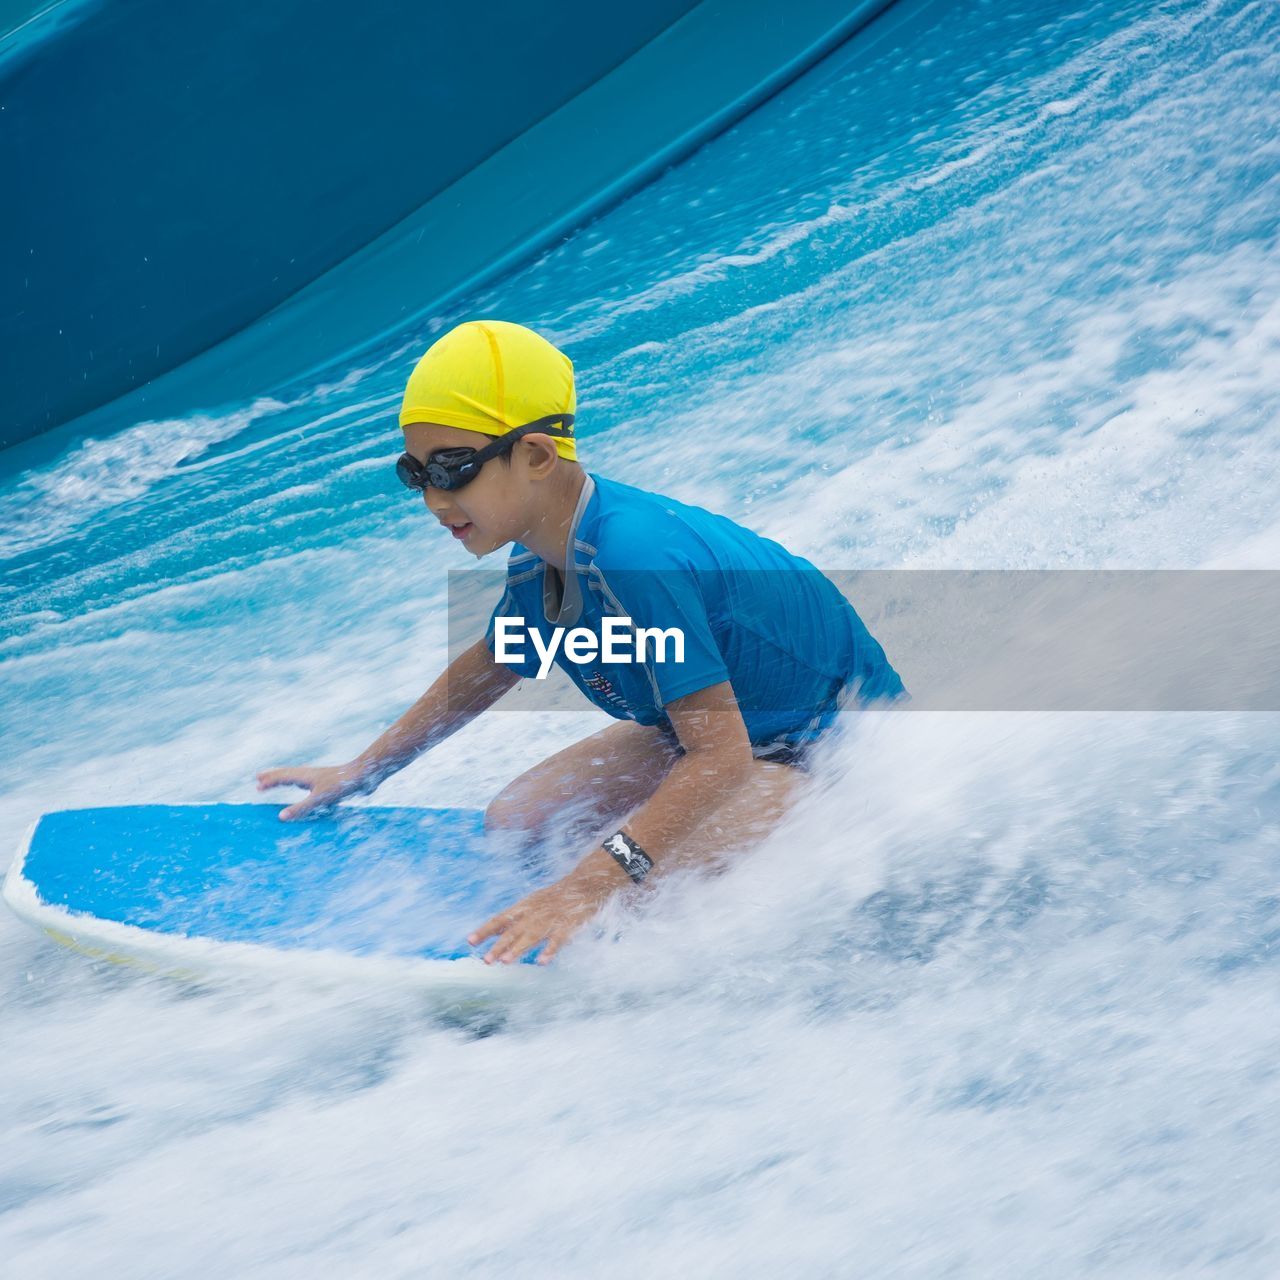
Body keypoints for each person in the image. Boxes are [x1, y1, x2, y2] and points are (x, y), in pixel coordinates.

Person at [257, 320, 905, 965]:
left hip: (828, 755)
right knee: (515, 823)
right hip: (717, 732)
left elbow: (719, 760)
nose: (431, 498)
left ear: (537, 456)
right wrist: (364, 770)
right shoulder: (542, 556)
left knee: (639, 901)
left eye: (452, 469)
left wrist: (586, 886)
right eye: (414, 472)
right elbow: (492, 665)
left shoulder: (633, 559)